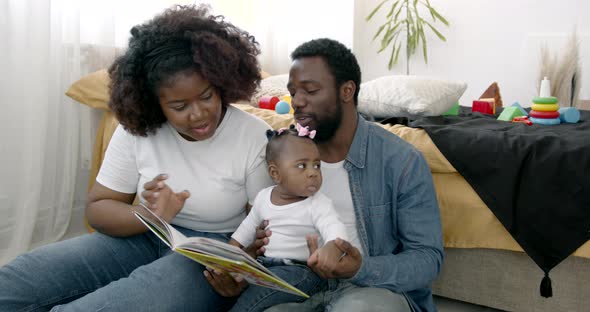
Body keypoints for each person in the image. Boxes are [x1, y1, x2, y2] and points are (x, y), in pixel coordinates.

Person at [0, 5, 273, 311]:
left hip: (213, 251)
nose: (198, 114)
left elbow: (264, 230)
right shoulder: (139, 131)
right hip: (144, 235)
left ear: (222, 83)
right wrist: (151, 216)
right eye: (180, 106)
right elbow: (98, 210)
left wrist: (239, 273)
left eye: (207, 96)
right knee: (16, 281)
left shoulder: (254, 136)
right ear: (155, 103)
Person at [208, 38, 444, 312]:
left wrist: (360, 268)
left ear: (346, 91)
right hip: (297, 285)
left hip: (370, 289)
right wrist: (243, 271)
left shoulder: (400, 160)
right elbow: (265, 227)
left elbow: (428, 259)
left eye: (310, 90)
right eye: (293, 91)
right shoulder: (284, 152)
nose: (297, 102)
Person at [228, 125, 349, 312]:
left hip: (302, 272)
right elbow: (246, 229)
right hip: (264, 266)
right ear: (275, 173)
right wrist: (229, 252)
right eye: (302, 165)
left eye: (317, 165)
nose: (313, 172)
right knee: (238, 283)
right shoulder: (263, 198)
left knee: (256, 298)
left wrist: (333, 246)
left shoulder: (317, 203)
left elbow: (333, 226)